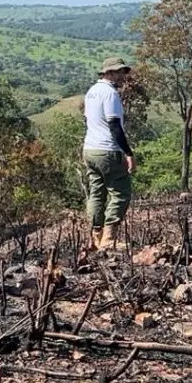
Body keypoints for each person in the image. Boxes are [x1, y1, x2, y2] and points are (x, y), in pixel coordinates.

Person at [82, 57, 136, 250]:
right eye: (120, 72)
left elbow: (87, 121)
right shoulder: (110, 94)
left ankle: (96, 237)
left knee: (96, 194)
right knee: (121, 193)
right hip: (107, 150)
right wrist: (128, 152)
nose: (123, 76)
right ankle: (108, 239)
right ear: (110, 73)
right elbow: (114, 125)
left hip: (89, 149)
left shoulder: (91, 92)